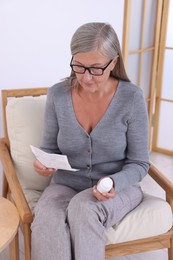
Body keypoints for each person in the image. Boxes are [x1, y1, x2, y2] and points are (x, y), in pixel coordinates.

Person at [31, 22, 150, 260]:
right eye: (79, 66)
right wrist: (43, 163)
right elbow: (49, 148)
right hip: (65, 184)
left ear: (113, 62)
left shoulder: (132, 98)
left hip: (118, 188)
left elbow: (140, 163)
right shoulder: (57, 95)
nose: (85, 77)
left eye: (95, 68)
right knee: (47, 216)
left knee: (84, 209)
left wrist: (114, 182)